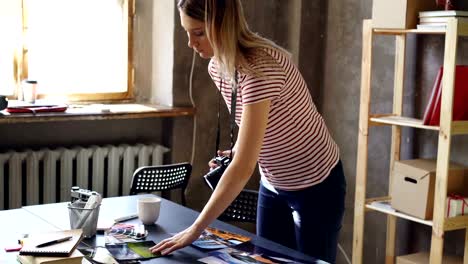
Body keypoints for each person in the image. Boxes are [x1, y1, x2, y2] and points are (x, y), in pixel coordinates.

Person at [150, 0, 346, 263]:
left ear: (223, 26)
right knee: (266, 260)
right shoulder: (217, 67)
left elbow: (243, 168)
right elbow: (261, 124)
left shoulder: (260, 68)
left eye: (198, 32)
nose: (191, 43)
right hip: (273, 182)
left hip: (316, 182)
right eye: (187, 32)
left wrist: (196, 229)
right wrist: (240, 149)